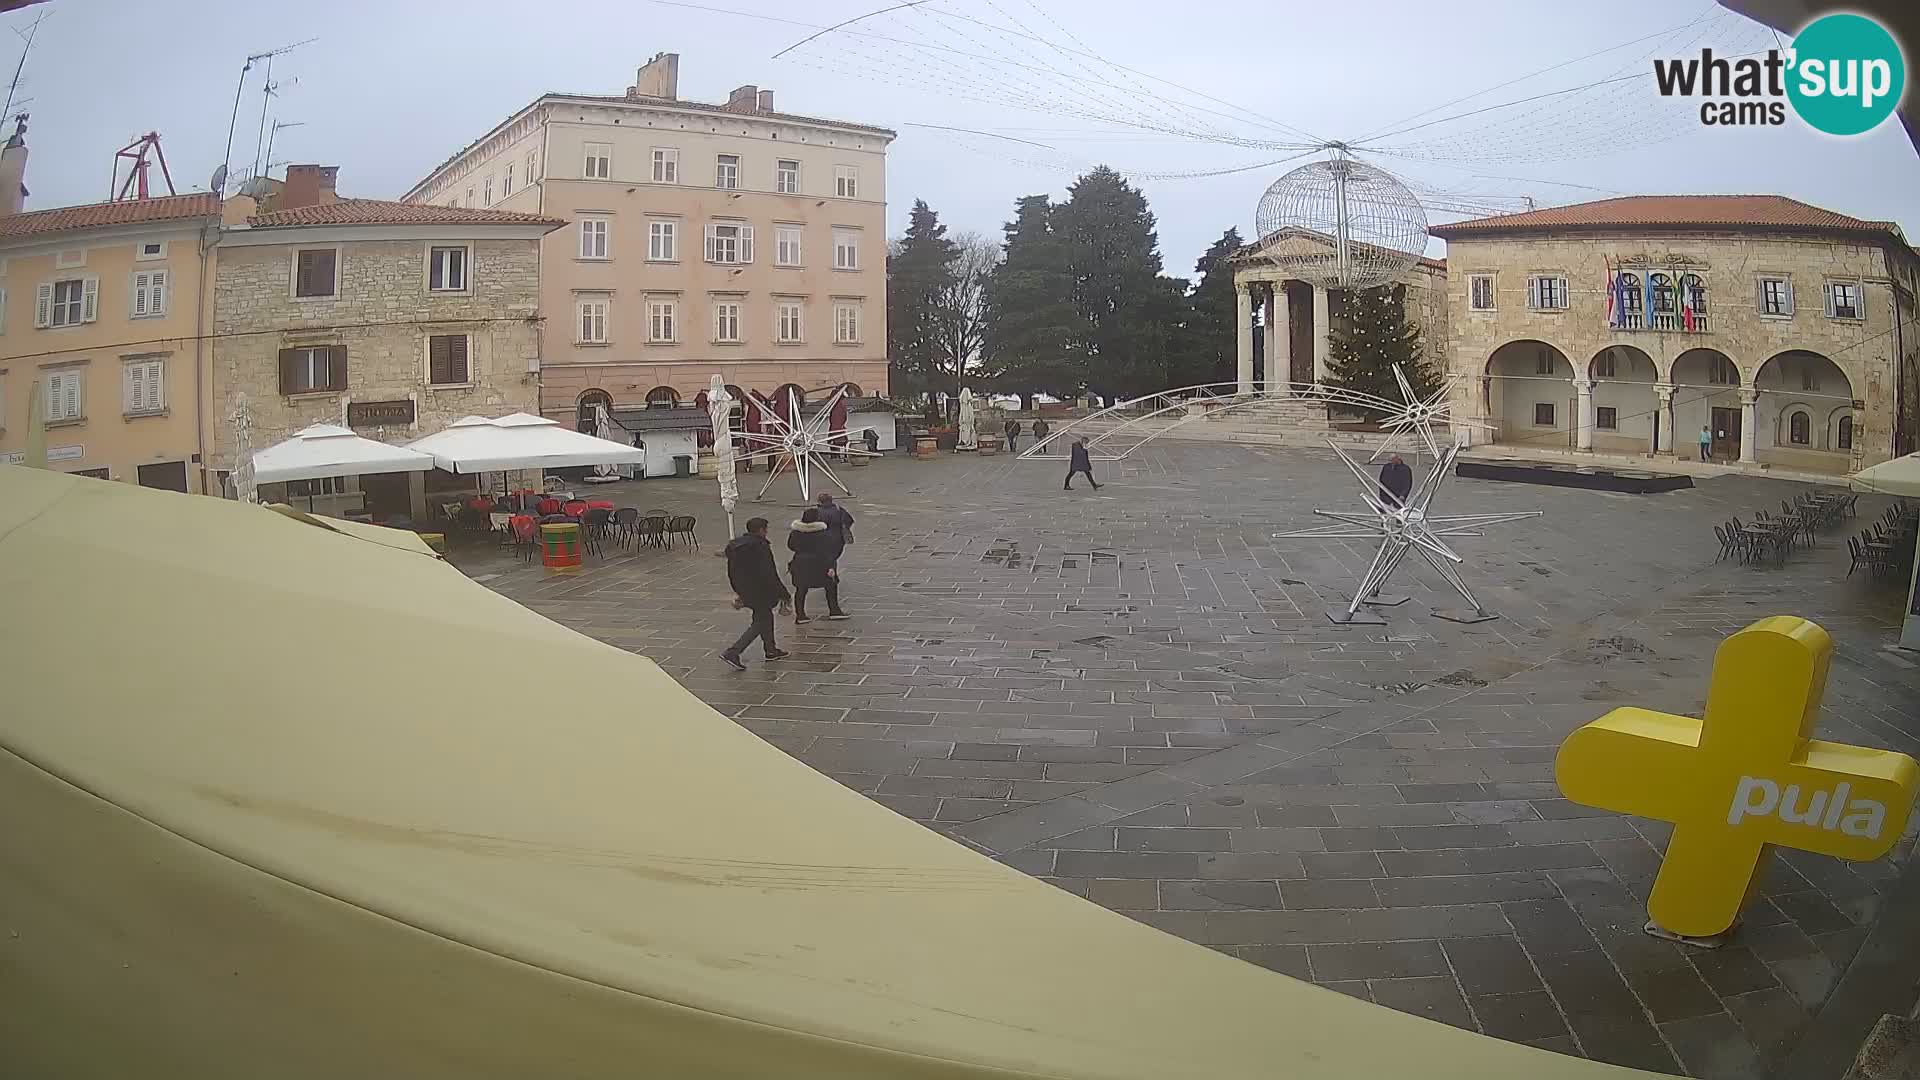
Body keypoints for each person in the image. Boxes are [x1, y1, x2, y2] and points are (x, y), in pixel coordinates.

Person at [719, 517, 790, 671]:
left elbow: (732, 571)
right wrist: (783, 593)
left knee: (765, 617)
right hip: (761, 590)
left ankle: (771, 649)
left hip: (746, 589)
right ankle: (733, 652)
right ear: (761, 530)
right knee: (760, 622)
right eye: (766, 529)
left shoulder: (735, 546)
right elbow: (768, 573)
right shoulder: (760, 546)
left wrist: (739, 590)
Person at [787, 508, 848, 623]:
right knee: (830, 585)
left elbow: (791, 546)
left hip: (800, 562)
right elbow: (829, 550)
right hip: (820, 563)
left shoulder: (796, 532)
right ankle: (834, 611)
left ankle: (800, 615)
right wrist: (831, 566)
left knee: (801, 588)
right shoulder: (823, 534)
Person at [816, 492, 855, 561]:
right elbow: (849, 520)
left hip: (822, 539)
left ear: (819, 501)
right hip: (838, 538)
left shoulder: (817, 512)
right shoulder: (839, 509)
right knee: (833, 559)